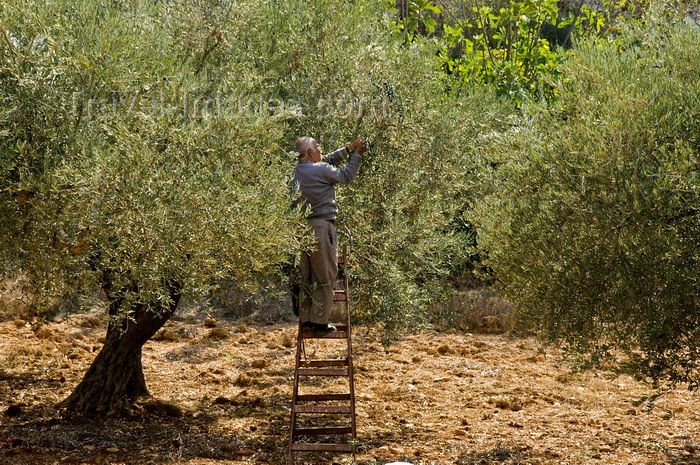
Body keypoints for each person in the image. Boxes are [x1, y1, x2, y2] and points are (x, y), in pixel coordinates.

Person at [291, 136, 366, 336]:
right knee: (324, 275)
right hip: (322, 227)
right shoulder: (321, 170)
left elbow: (325, 162)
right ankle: (320, 323)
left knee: (306, 276)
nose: (320, 147)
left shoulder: (295, 171)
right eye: (316, 146)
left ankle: (307, 321)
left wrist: (346, 149)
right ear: (309, 152)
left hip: (300, 229)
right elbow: (347, 176)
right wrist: (357, 155)